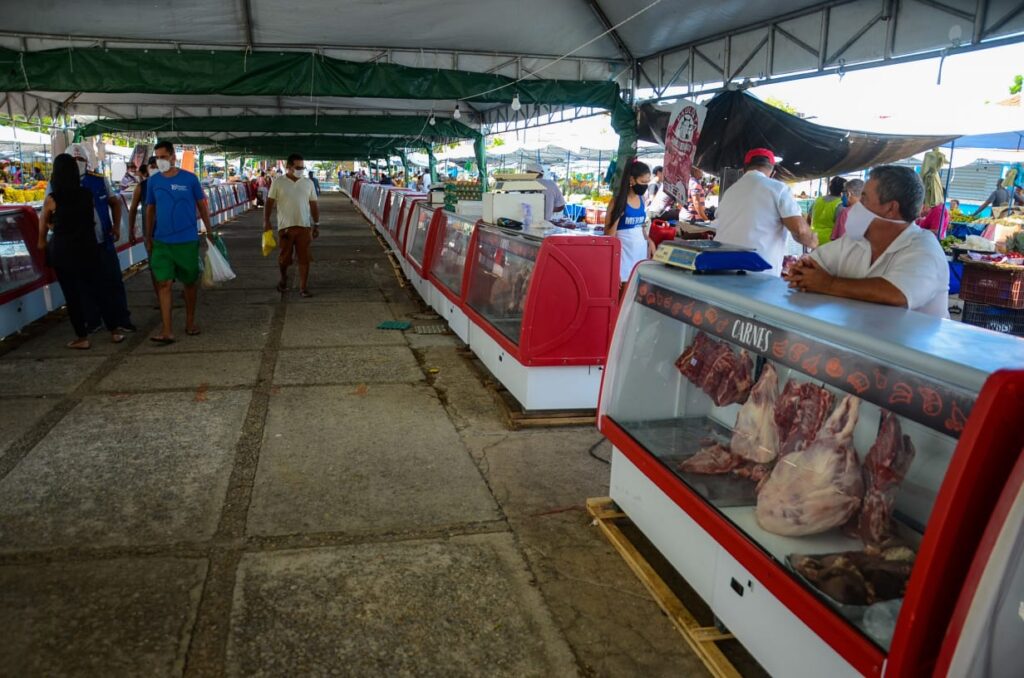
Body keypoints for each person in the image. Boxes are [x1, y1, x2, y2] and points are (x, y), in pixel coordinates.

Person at [785, 165, 949, 318]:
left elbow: (897, 293)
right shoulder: (854, 241)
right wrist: (803, 272)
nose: (856, 206)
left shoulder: (924, 248)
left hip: (912, 348)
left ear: (891, 208)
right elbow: (810, 267)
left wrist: (828, 284)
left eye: (864, 200)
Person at [36, 154, 125, 349]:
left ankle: (82, 337)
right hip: (88, 248)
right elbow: (90, 219)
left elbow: (44, 223)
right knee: (100, 290)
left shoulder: (52, 199)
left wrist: (42, 242)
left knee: (73, 296)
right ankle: (115, 331)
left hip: (63, 251)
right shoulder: (86, 194)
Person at [57, 143, 135, 333]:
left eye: (81, 159)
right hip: (78, 246)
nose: (78, 163)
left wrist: (116, 226)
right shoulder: (57, 184)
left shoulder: (99, 181)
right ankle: (92, 321)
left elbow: (114, 203)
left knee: (113, 280)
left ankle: (121, 319)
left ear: (87, 161)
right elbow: (48, 214)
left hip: (103, 241)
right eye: (74, 160)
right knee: (84, 285)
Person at [145, 140, 214, 344]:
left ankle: (190, 322)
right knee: (164, 283)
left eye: (163, 157)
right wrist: (148, 236)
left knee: (189, 284)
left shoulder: (190, 179)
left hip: (186, 241)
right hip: (162, 242)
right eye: (157, 157)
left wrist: (209, 231)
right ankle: (167, 330)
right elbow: (150, 209)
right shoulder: (153, 182)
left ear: (173, 157)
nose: (160, 161)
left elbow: (202, 205)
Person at [713, 148, 817, 275]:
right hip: (758, 274)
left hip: (722, 270)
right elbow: (800, 231)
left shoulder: (729, 192)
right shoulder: (778, 189)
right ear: (773, 172)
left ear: (744, 169)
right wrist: (815, 244)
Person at [264, 153, 320, 298]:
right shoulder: (278, 182)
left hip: (304, 226)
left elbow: (313, 204)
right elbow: (269, 202)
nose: (301, 170)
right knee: (284, 259)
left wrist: (317, 223)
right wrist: (266, 221)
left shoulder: (308, 183)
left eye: (302, 167)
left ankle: (303, 287)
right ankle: (283, 278)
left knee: (304, 258)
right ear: (288, 167)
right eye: (298, 167)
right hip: (285, 228)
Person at [605, 160, 655, 285]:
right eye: (643, 182)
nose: (645, 186)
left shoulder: (642, 199)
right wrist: (613, 270)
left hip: (639, 257)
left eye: (647, 182)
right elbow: (609, 236)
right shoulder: (617, 202)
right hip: (622, 261)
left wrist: (649, 240)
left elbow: (641, 226)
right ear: (632, 180)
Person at [808, 176, 847, 243]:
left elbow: (808, 218)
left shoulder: (817, 200)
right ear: (843, 190)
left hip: (814, 239)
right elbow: (841, 228)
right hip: (829, 242)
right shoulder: (840, 205)